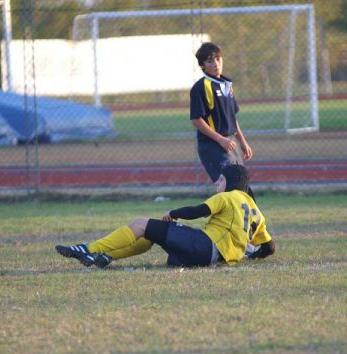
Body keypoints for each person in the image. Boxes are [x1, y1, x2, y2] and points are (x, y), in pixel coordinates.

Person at [55, 164, 275, 268]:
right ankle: (105, 257)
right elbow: (269, 248)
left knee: (141, 223)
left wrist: (173, 213)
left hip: (202, 246)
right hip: (211, 258)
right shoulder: (257, 213)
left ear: (230, 181)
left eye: (219, 180)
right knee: (151, 234)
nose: (216, 183)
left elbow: (199, 211)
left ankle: (88, 248)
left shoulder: (228, 197)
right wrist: (248, 256)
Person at [190, 42, 256, 199]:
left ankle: (251, 221)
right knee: (229, 187)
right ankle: (227, 222)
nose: (216, 64)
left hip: (230, 142)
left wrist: (242, 141)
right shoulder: (201, 87)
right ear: (202, 65)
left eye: (218, 59)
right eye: (210, 61)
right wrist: (221, 140)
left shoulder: (227, 85)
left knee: (242, 183)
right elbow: (197, 120)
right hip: (213, 144)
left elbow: (232, 117)